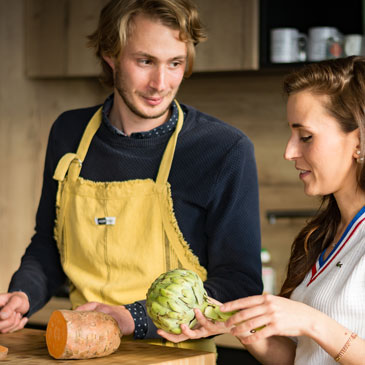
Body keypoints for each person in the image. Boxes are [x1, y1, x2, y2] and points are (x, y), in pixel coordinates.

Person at [0, 0, 263, 352]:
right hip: (81, 347)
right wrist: (23, 294)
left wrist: (132, 318)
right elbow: (49, 245)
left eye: (175, 64)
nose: (160, 83)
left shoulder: (223, 149)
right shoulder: (69, 132)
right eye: (145, 61)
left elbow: (239, 285)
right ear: (110, 54)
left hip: (175, 357)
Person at [158, 56, 365, 364]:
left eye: (305, 136)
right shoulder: (324, 236)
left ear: (359, 141)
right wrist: (241, 327)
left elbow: (318, 329)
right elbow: (303, 358)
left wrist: (311, 321)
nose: (289, 151)